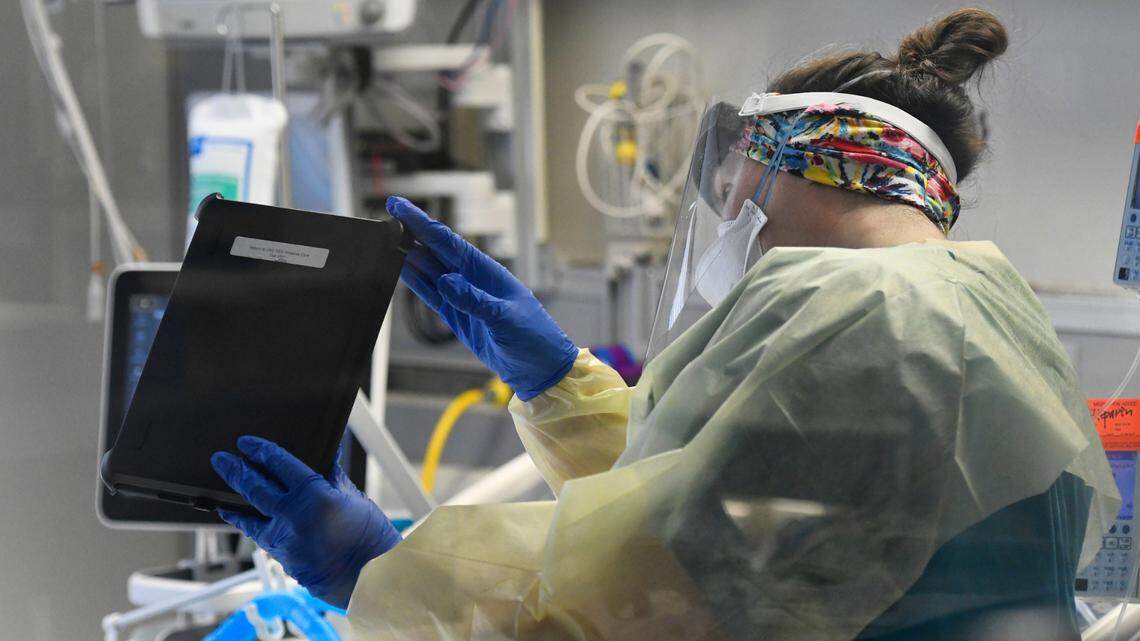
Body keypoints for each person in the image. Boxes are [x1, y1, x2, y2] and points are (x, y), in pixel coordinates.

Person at [210, 9, 1121, 641]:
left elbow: (616, 621)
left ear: (780, 164)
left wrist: (377, 573)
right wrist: (562, 389)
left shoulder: (850, 313)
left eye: (724, 195)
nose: (726, 225)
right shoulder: (973, 296)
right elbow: (736, 520)